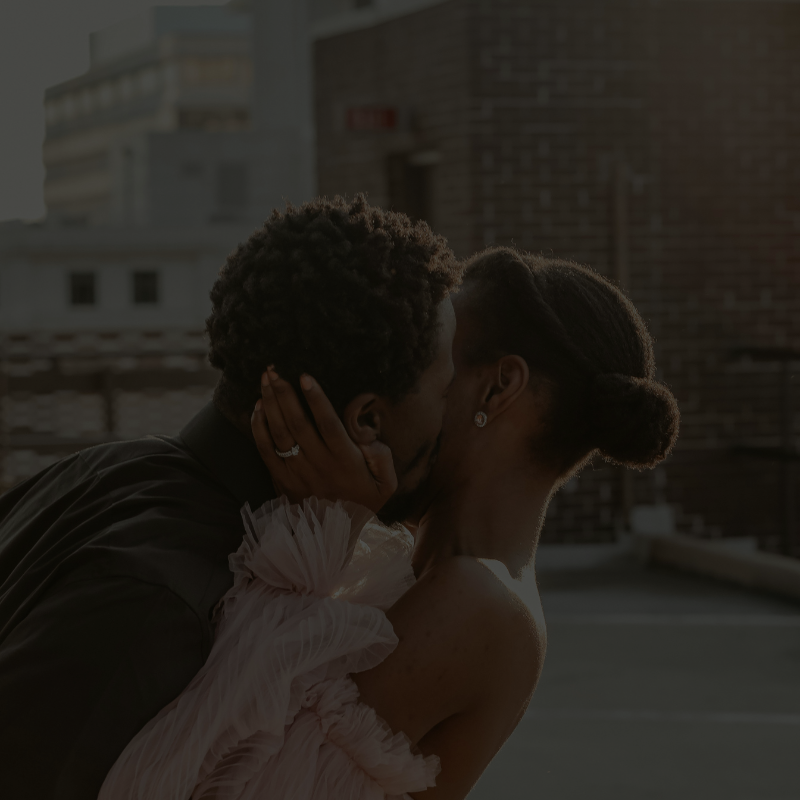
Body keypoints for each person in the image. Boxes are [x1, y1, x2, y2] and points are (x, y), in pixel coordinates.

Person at [100, 246, 680, 799]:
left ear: (499, 387)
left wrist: (323, 518)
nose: (392, 380)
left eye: (428, 362)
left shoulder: (474, 599)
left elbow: (209, 772)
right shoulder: (416, 558)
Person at [0, 195, 461, 800]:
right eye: (445, 390)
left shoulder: (106, 467)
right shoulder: (167, 596)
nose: (456, 417)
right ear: (367, 420)